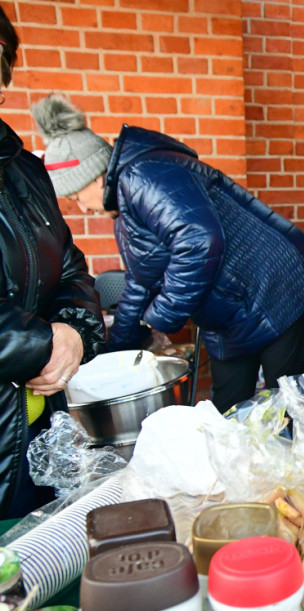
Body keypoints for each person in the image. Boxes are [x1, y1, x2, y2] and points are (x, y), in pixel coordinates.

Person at [32, 95, 304, 413]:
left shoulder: (144, 175)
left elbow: (199, 241)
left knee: (291, 408)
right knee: (228, 411)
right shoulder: (125, 209)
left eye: (76, 196)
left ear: (97, 175)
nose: (82, 208)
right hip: (229, 312)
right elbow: (140, 282)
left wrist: (161, 316)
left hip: (275, 293)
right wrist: (116, 346)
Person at [0, 10, 105, 518]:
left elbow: (69, 269)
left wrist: (75, 331)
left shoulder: (26, 172)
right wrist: (46, 343)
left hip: (38, 444)